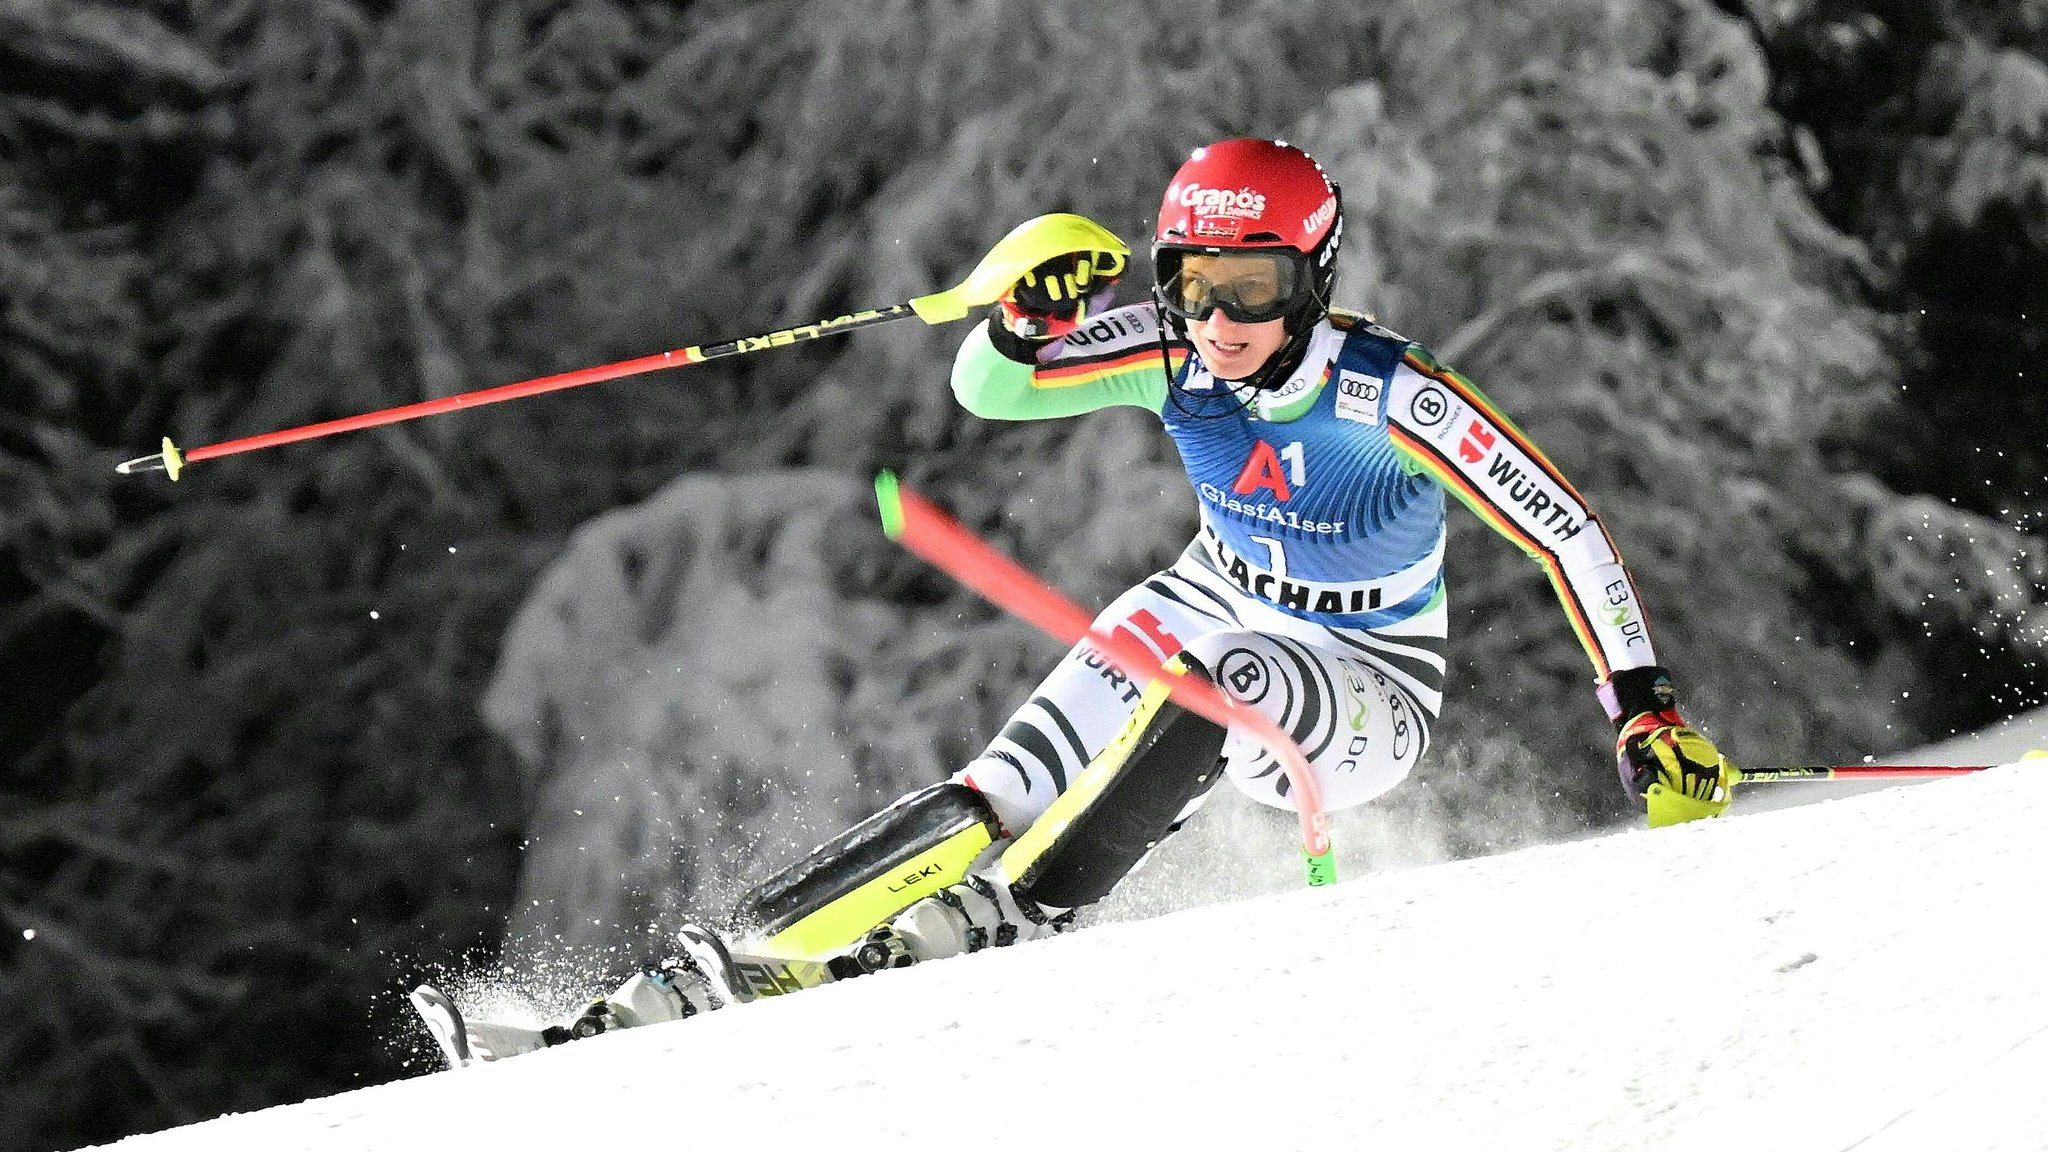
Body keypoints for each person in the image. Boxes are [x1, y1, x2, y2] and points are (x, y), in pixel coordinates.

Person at [431, 138, 1738, 1061]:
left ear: (1314, 278)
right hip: (1212, 604)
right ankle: (742, 957)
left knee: (1225, 682)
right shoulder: (1172, 350)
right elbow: (988, 392)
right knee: (1014, 763)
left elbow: (1563, 529)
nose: (1219, 322)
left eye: (1255, 289)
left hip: (1365, 684)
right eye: (1193, 283)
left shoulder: (1387, 391)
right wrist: (1019, 318)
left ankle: (1028, 909)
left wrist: (1646, 713)